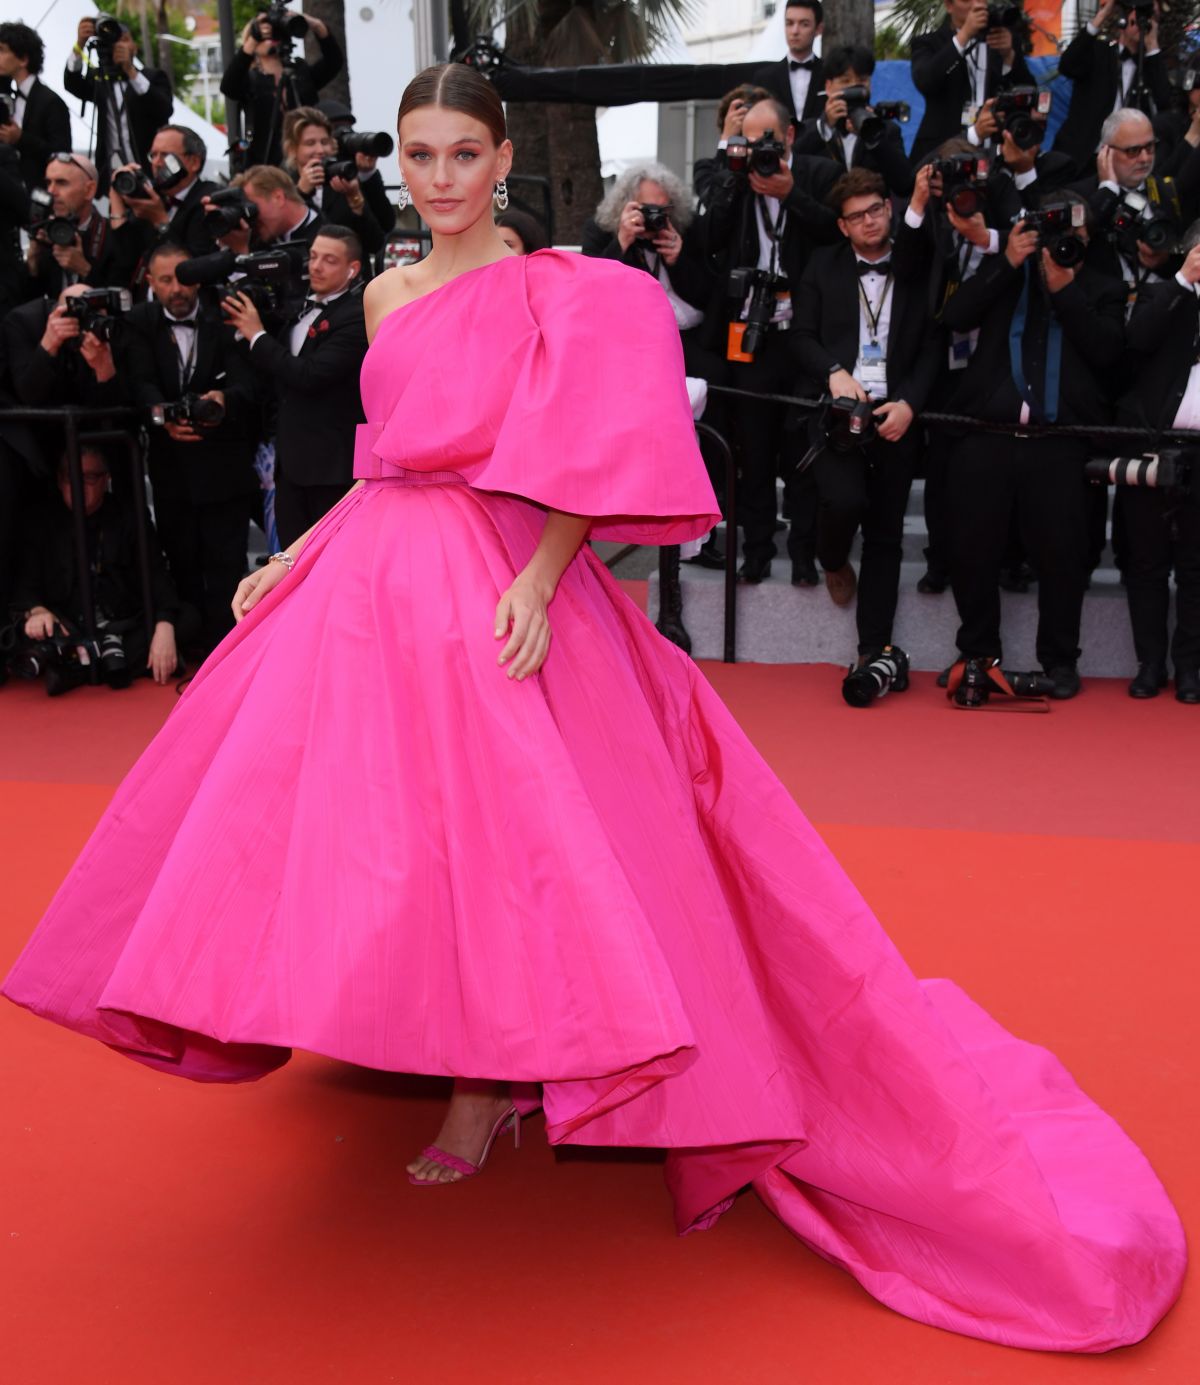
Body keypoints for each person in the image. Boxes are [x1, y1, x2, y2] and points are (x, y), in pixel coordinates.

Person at [1, 62, 1185, 1356]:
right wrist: (296, 553)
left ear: (505, 160)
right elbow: (383, 464)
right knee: (390, 835)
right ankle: (443, 1039)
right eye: (420, 155)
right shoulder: (387, 293)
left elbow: (588, 459)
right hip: (373, 578)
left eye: (464, 154)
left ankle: (486, 1090)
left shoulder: (571, 292)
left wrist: (544, 579)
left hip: (501, 580)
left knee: (510, 842)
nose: (441, 178)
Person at [940, 191, 1126, 699]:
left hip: (1060, 445)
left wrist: (1066, 290)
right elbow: (956, 316)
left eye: (1075, 237)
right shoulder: (1007, 276)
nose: (1063, 245)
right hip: (987, 437)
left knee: (1062, 557)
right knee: (973, 551)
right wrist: (1006, 262)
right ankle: (977, 652)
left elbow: (1110, 354)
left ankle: (1060, 662)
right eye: (1053, 235)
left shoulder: (1104, 288)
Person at [794, 170, 938, 656]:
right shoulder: (821, 265)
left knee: (886, 537)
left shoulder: (917, 268)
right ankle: (832, 558)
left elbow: (932, 346)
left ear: (890, 209)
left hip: (895, 415)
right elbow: (800, 337)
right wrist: (833, 371)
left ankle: (873, 649)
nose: (869, 221)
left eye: (876, 209)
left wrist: (912, 404)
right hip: (839, 414)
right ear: (842, 226)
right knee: (844, 501)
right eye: (857, 216)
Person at [699, 95, 840, 584]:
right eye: (750, 140)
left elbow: (837, 233)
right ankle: (756, 549)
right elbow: (709, 238)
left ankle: (803, 552)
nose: (760, 150)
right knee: (754, 450)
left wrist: (790, 193)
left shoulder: (819, 173)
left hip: (803, 332)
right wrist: (734, 179)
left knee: (800, 446)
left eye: (768, 140)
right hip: (748, 333)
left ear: (790, 137)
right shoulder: (735, 179)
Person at [124, 242, 260, 655]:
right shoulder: (139, 322)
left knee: (228, 570)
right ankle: (191, 652)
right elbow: (139, 382)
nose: (176, 289)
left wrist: (224, 400)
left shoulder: (226, 314)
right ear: (150, 282)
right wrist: (163, 418)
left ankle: (227, 656)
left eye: (183, 279)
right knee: (182, 564)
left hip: (225, 471)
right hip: (172, 473)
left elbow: (249, 385)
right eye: (165, 280)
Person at [220, 225, 366, 547]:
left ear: (352, 269)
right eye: (313, 257)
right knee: (289, 564)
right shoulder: (296, 304)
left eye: (329, 260)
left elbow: (308, 376)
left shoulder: (358, 316)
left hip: (332, 471)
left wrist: (256, 335)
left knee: (330, 564)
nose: (315, 266)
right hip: (290, 467)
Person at [10, 443, 186, 694]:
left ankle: (77, 666)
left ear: (106, 480)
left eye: (90, 477)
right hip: (69, 623)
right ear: (60, 481)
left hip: (123, 621)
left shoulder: (128, 516)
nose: (80, 485)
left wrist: (164, 626)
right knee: (24, 635)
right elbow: (25, 585)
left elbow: (158, 574)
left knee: (186, 620)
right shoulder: (40, 521)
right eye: (71, 478)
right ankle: (105, 660)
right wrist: (37, 612)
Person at [1115, 231, 1200, 702]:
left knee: (1196, 567)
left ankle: (1190, 667)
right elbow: (1136, 338)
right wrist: (1184, 280)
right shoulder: (1164, 290)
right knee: (1146, 562)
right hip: (1154, 442)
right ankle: (1150, 664)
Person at [1054, 0, 1171, 174]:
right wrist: (1102, 15)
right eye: (1140, 13)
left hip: (1124, 164)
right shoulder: (1099, 52)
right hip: (1081, 156)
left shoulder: (1151, 67)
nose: (1144, 21)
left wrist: (1152, 45)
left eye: (1152, 16)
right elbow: (1067, 65)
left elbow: (1165, 101)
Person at [910, 0, 1033, 165]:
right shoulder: (928, 43)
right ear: (949, 5)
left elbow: (1029, 92)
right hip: (943, 151)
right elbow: (925, 81)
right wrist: (964, 36)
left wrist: (1009, 57)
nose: (977, 5)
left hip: (997, 152)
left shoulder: (1003, 40)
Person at [220, 10, 343, 169]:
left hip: (305, 163)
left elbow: (334, 62)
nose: (271, 38)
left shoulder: (299, 73)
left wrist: (316, 25)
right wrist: (254, 37)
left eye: (275, 33)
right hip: (264, 164)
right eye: (265, 34)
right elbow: (229, 85)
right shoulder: (250, 79)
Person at [64, 16, 173, 192]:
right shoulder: (100, 78)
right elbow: (72, 84)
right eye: (114, 41)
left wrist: (130, 71)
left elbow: (164, 109)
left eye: (124, 40)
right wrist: (79, 46)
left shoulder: (152, 77)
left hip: (148, 171)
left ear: (135, 48)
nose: (118, 45)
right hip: (110, 175)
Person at [794, 43, 914, 197]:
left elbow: (904, 184)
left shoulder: (886, 130)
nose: (854, 88)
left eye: (862, 81)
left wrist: (873, 137)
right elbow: (793, 167)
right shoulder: (811, 129)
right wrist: (825, 128)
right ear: (828, 86)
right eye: (845, 81)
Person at [107, 125, 221, 274]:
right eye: (153, 155)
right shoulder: (153, 197)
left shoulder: (209, 199)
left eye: (166, 156)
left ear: (194, 162)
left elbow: (193, 267)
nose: (157, 163)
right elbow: (124, 260)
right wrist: (116, 195)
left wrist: (160, 221)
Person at [280, 106, 386, 262]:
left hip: (347, 278)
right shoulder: (282, 183)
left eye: (324, 142)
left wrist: (356, 201)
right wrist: (301, 193)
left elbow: (375, 243)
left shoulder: (343, 176)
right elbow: (276, 237)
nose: (320, 149)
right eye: (310, 143)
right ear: (292, 149)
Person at [25, 153, 125, 298]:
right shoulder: (46, 234)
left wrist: (84, 269)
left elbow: (125, 301)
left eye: (61, 183)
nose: (51, 192)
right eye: (48, 183)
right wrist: (33, 261)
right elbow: (27, 303)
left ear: (89, 190)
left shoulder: (115, 237)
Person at [0, 21, 72, 193]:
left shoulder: (50, 101)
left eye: (2, 50)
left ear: (23, 59)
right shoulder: (8, 94)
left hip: (39, 192)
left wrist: (21, 138)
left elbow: (62, 153)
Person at [752, 1, 825, 129]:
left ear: (818, 29)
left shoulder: (830, 74)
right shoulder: (764, 78)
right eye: (789, 23)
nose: (795, 31)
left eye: (804, 24)